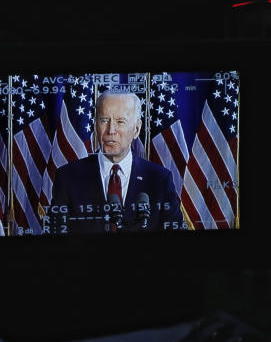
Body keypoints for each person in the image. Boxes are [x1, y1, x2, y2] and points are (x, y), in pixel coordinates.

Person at [48, 90, 182, 234]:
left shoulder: (159, 179)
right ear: (95, 125)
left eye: (120, 122)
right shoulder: (68, 177)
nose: (111, 130)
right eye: (104, 120)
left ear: (136, 129)